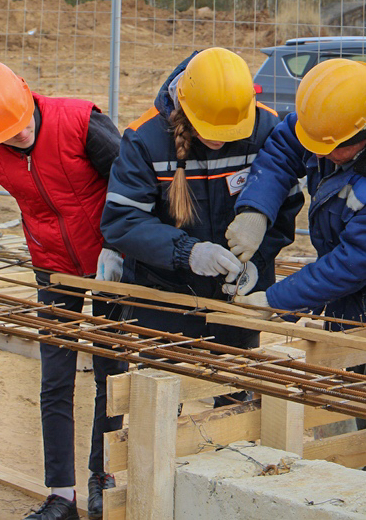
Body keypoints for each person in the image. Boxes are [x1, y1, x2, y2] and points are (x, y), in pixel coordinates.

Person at [0, 59, 125, 520]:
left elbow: (130, 181)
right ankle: (61, 494)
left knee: (112, 369)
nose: (20, 133)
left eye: (23, 121)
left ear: (28, 95)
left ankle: (103, 475)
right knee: (55, 378)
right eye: (6, 132)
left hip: (110, 265)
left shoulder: (80, 121)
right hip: (52, 265)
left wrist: (118, 245)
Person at [100, 47, 302, 392]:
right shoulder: (145, 138)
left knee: (236, 395)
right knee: (162, 398)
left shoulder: (267, 126)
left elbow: (285, 206)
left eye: (230, 131)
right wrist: (188, 252)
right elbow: (123, 221)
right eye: (210, 130)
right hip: (164, 294)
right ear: (185, 107)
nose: (220, 139)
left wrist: (257, 259)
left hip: (236, 294)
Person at [225, 58, 366, 342]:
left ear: (365, 135)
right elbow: (284, 148)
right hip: (348, 269)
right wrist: (256, 209)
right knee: (339, 352)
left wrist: (276, 300)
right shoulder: (333, 114)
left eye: (329, 148)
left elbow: (352, 264)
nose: (317, 155)